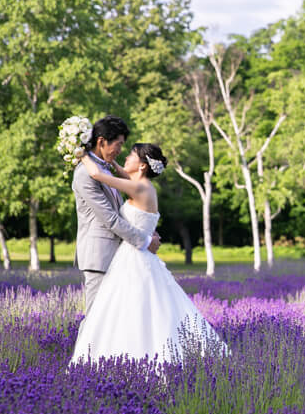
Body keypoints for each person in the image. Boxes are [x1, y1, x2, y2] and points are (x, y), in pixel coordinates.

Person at [70, 142, 227, 365]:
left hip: (133, 256)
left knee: (130, 309)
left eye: (131, 154)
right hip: (136, 253)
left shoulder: (139, 188)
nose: (125, 157)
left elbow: (96, 173)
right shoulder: (140, 184)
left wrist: (80, 150)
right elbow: (119, 171)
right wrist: (109, 159)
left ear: (142, 166)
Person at [73, 116, 162, 316]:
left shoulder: (107, 169)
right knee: (95, 318)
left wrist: (146, 229)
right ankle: (87, 350)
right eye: (119, 144)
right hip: (99, 256)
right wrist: (145, 240)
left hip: (119, 255)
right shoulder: (85, 174)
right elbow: (111, 219)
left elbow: (123, 209)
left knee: (113, 319)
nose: (121, 151)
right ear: (101, 141)